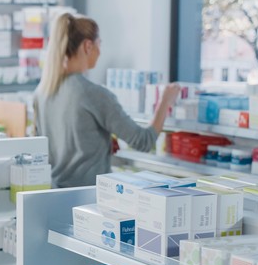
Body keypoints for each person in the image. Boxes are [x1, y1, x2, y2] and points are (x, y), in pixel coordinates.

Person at [34, 13, 180, 188]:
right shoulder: (93, 94)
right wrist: (165, 101)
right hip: (88, 198)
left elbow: (49, 147)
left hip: (55, 194)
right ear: (88, 46)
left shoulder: (42, 92)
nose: (100, 51)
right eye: (99, 44)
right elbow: (144, 141)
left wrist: (100, 141)